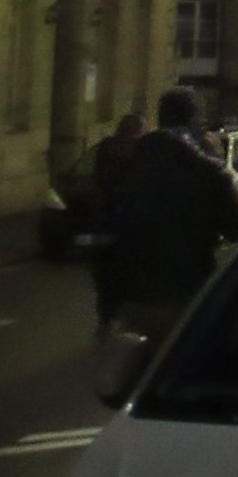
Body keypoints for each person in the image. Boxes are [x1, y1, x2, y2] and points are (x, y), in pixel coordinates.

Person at [110, 87, 238, 342]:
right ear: (194, 121)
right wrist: (216, 160)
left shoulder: (130, 161)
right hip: (185, 291)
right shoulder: (206, 170)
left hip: (132, 292)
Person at [89, 111, 144, 333]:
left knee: (103, 272)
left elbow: (98, 182)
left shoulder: (105, 148)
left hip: (103, 223)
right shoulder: (138, 152)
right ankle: (120, 316)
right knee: (126, 271)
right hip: (125, 225)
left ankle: (106, 316)